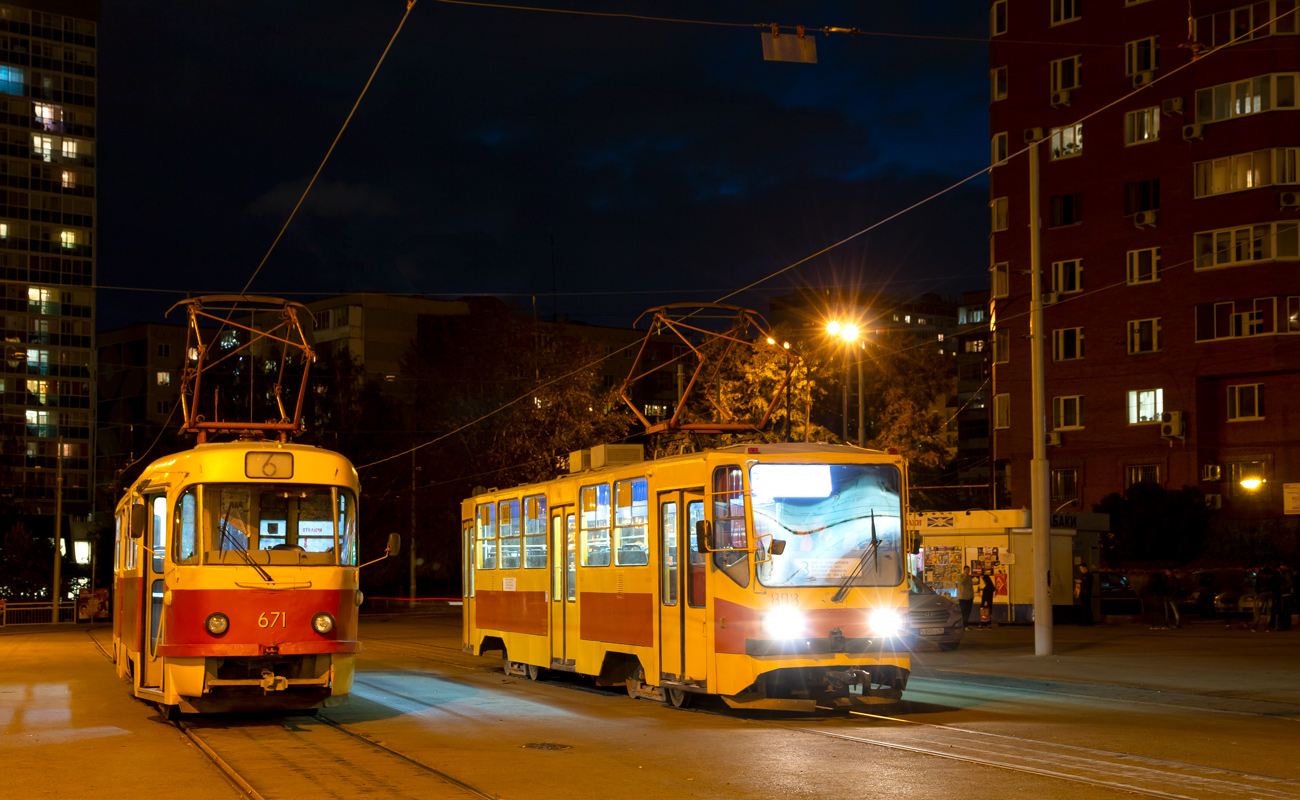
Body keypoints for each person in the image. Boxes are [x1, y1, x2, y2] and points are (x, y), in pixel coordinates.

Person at [957, 566, 975, 630]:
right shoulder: (961, 576)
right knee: (963, 612)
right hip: (962, 598)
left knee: (968, 612)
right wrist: (965, 576)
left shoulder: (969, 578)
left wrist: (972, 595)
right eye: (967, 570)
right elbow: (961, 582)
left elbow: (971, 586)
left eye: (968, 570)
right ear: (964, 570)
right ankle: (963, 626)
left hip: (969, 597)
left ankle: (966, 625)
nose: (968, 571)